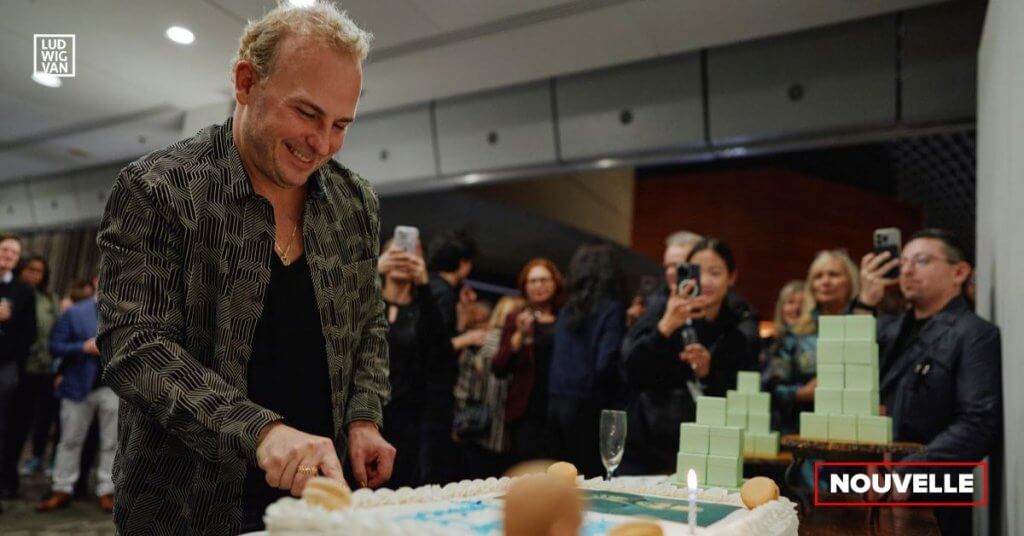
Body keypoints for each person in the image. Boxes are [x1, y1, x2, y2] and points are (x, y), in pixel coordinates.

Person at [95, 3, 395, 533]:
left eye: (340, 124)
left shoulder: (354, 202)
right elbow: (135, 347)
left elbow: (368, 322)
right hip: (185, 507)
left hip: (317, 502)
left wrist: (363, 417)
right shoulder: (159, 188)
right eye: (307, 113)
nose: (322, 144)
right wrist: (261, 432)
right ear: (246, 82)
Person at [857, 229, 1001, 536]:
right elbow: (847, 377)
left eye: (921, 261)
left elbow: (980, 423)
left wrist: (913, 468)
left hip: (933, 493)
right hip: (875, 486)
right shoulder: (890, 329)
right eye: (903, 262)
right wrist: (865, 302)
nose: (907, 270)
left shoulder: (974, 333)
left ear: (959, 272)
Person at [621, 238, 759, 474]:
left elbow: (745, 389)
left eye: (715, 272)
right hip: (648, 443)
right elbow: (630, 370)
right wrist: (665, 327)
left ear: (731, 277)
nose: (704, 281)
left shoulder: (737, 324)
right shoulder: (661, 309)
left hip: (709, 448)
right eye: (697, 271)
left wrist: (708, 371)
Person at [377, 239, 470, 488]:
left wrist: (424, 284)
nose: (402, 259)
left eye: (411, 255)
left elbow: (439, 347)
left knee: (398, 485)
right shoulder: (367, 299)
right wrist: (372, 271)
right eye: (395, 253)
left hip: (406, 414)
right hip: (361, 411)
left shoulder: (423, 308)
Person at [36, 275, 117, 513]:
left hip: (112, 386)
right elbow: (55, 345)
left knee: (112, 442)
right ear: (96, 282)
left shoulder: (127, 313)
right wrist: (82, 346)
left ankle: (107, 490)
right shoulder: (74, 312)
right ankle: (62, 488)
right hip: (78, 386)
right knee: (70, 440)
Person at [547, 243, 627, 477]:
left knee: (560, 475)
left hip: (555, 401)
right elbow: (605, 362)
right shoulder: (611, 308)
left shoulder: (567, 309)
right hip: (588, 405)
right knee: (588, 478)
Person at [766, 250, 860, 432]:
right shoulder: (796, 335)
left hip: (854, 427)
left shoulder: (866, 327)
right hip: (802, 430)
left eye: (833, 274)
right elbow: (773, 387)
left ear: (850, 281)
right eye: (818, 276)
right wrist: (802, 393)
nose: (825, 281)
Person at [421, 229, 482, 484]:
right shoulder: (443, 292)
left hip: (422, 388)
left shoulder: (430, 285)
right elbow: (433, 347)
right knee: (433, 460)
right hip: (432, 390)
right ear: (463, 263)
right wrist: (469, 338)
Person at [492, 258, 565, 464]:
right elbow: (499, 366)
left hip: (559, 406)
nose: (538, 285)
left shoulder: (566, 318)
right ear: (524, 286)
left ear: (555, 283)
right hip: (527, 410)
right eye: (532, 281)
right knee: (526, 469)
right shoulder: (515, 318)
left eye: (544, 280)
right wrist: (519, 335)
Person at [454, 295, 524, 478]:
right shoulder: (516, 345)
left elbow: (463, 388)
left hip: (479, 429)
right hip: (502, 433)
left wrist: (459, 419)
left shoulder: (482, 342)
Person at [9, 255, 60, 479]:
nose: (34, 275)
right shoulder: (15, 292)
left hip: (42, 369)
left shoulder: (49, 299)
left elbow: (56, 331)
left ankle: (20, 465)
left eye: (39, 271)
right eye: (30, 269)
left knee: (28, 421)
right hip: (16, 365)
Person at [0, 234, 36, 499]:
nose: (9, 255)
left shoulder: (24, 290)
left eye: (14, 252)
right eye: (5, 249)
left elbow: (29, 333)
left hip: (6, 365)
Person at [762, 280, 808, 434]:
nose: (796, 308)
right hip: (775, 425)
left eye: (802, 304)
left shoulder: (817, 343)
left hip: (806, 423)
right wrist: (803, 393)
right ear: (781, 308)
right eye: (790, 302)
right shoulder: (769, 344)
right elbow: (770, 388)